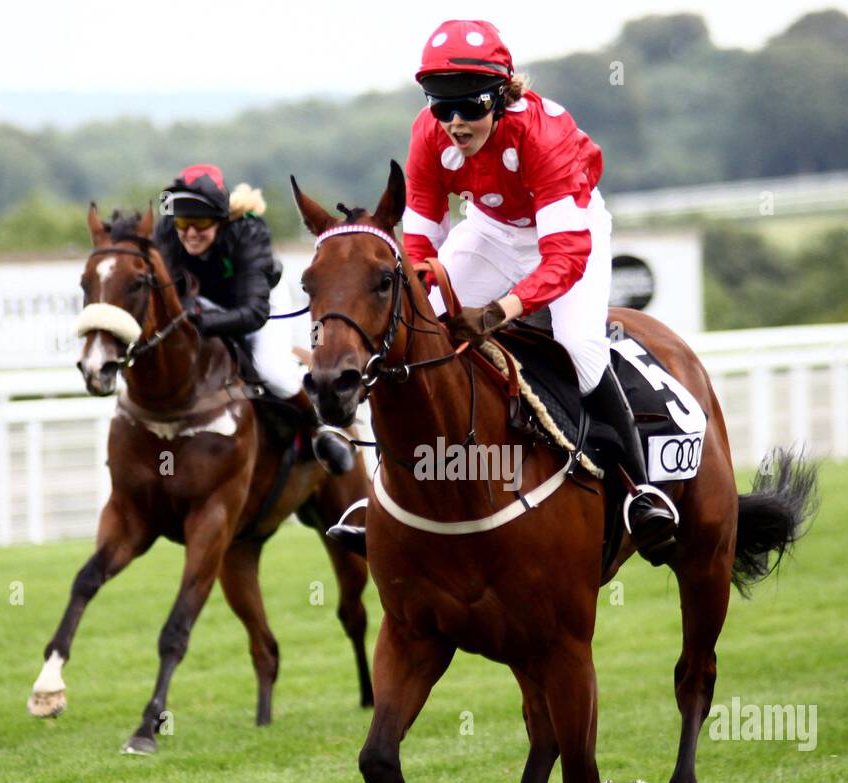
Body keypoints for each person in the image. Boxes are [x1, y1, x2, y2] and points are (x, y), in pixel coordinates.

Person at [397, 20, 677, 561]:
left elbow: (564, 257)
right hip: (490, 231)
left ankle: (640, 492)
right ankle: (392, 483)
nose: (455, 123)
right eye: (441, 106)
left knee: (579, 345)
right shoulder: (427, 135)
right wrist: (429, 294)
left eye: (470, 106)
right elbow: (419, 241)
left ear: (501, 95)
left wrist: (500, 311)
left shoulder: (543, 133)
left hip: (570, 232)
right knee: (417, 322)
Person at [153, 163, 353, 474]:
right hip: (203, 301)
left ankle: (320, 431)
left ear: (220, 219)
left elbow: (253, 313)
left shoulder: (248, 232)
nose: (190, 232)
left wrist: (198, 322)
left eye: (201, 222)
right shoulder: (167, 232)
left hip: (260, 303)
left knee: (270, 369)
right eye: (183, 222)